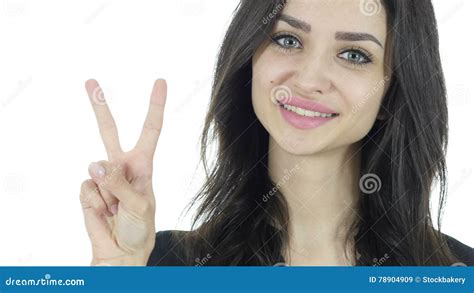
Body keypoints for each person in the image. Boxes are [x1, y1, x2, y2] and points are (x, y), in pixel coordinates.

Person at [79, 0, 474, 266]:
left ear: (392, 91)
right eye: (288, 40)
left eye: (354, 55)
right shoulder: (164, 263)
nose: (309, 79)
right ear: (249, 57)